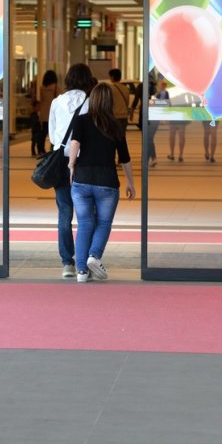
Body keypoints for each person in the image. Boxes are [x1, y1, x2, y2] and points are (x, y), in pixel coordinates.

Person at [68, 83, 136, 282]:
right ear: (110, 102)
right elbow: (125, 158)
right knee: (104, 223)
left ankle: (81, 271)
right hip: (107, 182)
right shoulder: (115, 125)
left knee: (84, 224)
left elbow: (75, 144)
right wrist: (130, 183)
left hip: (82, 180)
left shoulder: (81, 120)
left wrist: (72, 166)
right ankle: (94, 256)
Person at [48, 63, 97, 280]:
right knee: (88, 215)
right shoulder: (91, 102)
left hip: (61, 162)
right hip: (85, 162)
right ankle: (84, 262)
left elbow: (52, 136)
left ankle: (67, 262)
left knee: (64, 213)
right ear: (88, 80)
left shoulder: (57, 102)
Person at [158, 80, 187, 162]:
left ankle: (172, 154)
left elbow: (166, 103)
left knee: (172, 134)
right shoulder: (184, 88)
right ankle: (181, 155)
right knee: (181, 134)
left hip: (173, 113)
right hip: (182, 113)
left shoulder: (169, 90)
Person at [104, 68, 131, 134]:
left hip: (114, 116)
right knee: (122, 137)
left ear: (112, 77)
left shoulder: (110, 88)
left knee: (113, 136)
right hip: (124, 116)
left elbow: (108, 103)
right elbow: (127, 102)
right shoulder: (126, 89)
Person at [38, 70, 59, 153]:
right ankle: (53, 148)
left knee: (43, 132)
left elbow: (40, 100)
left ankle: (40, 149)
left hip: (44, 114)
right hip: (53, 113)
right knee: (54, 132)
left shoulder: (41, 88)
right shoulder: (56, 87)